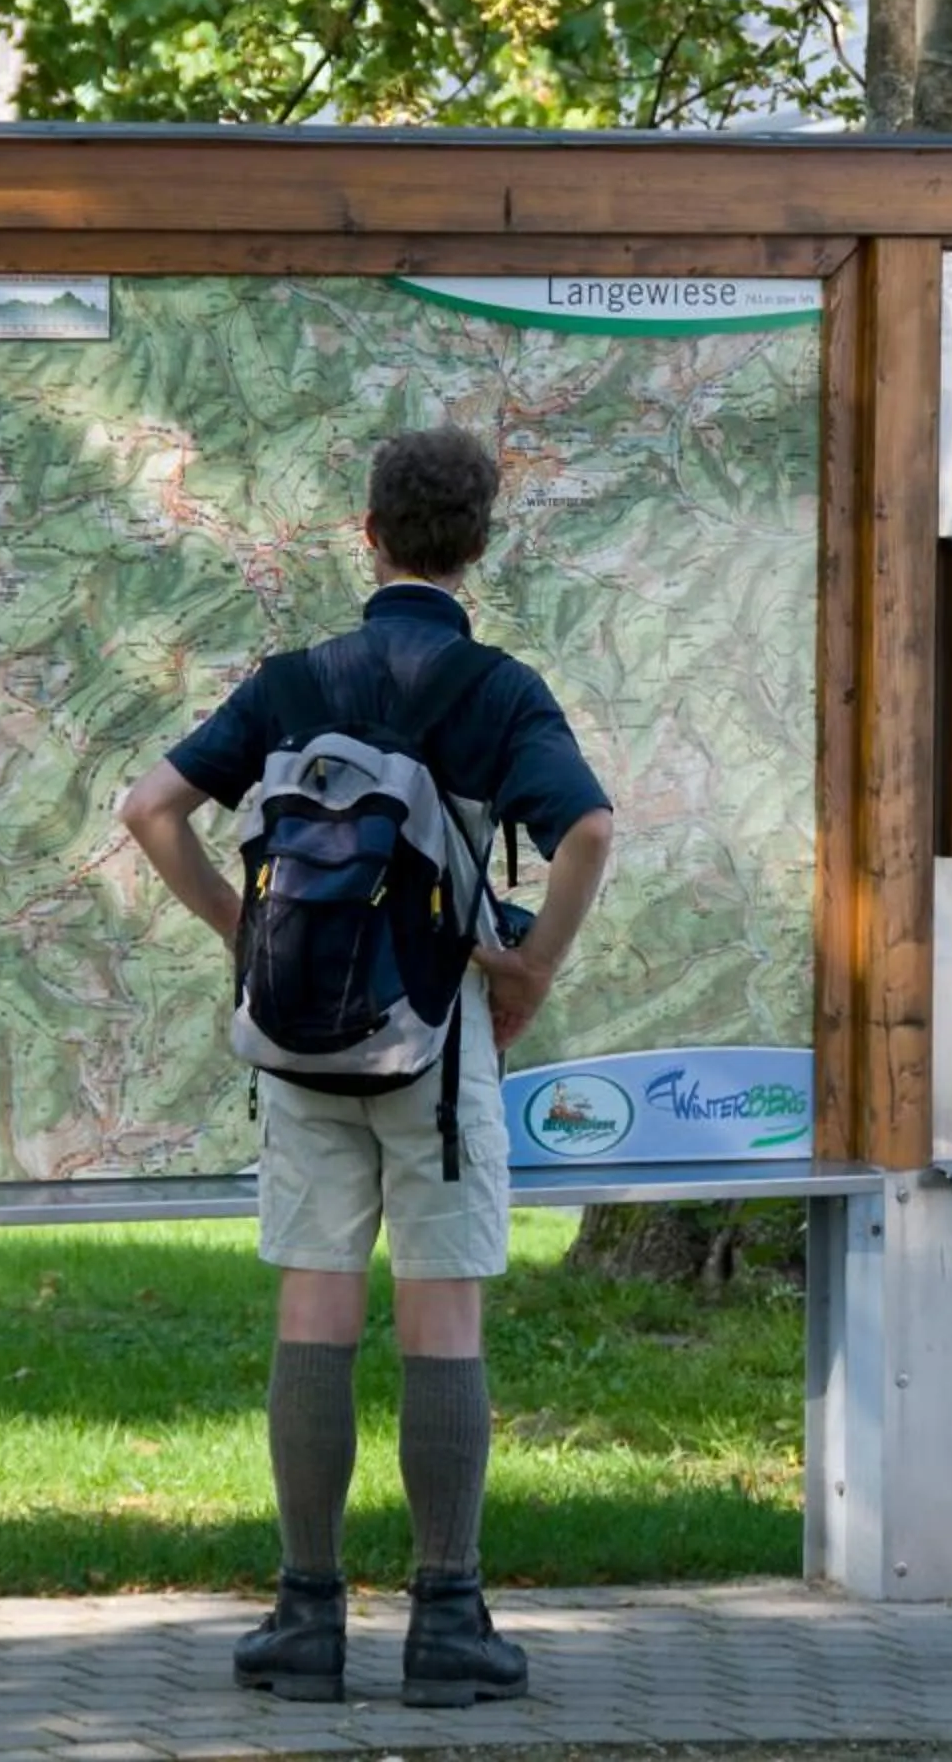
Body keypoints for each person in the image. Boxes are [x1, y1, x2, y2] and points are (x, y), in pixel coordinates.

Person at [118, 426, 616, 1709]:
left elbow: (150, 810)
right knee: (439, 1312)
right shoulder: (498, 690)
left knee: (314, 1306)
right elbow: (589, 831)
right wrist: (530, 969)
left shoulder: (295, 680)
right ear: (481, 545)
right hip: (436, 1048)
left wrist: (246, 940)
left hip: (298, 1042)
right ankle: (447, 1623)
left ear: (369, 534)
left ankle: (306, 1622)